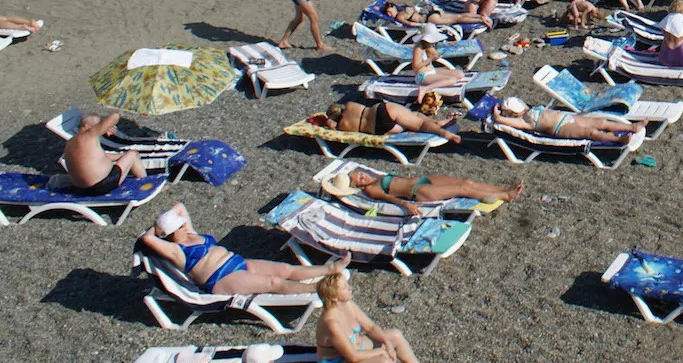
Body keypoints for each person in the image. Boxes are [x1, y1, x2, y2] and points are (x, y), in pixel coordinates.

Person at [141, 203, 347, 294]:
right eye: (179, 226)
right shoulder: (176, 250)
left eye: (182, 223)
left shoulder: (190, 233)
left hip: (238, 262)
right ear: (169, 234)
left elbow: (179, 206)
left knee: (285, 269)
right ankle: (316, 289)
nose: (184, 225)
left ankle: (330, 269)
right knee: (273, 282)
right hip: (220, 279)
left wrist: (168, 221)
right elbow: (147, 239)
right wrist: (158, 229)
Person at [321, 170, 524, 219]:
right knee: (463, 190)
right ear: (356, 185)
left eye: (360, 174)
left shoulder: (374, 178)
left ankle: (503, 190)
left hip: (423, 180)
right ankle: (507, 196)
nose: (363, 177)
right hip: (420, 191)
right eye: (359, 179)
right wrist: (407, 206)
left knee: (466, 182)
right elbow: (390, 198)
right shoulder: (371, 189)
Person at [315, 271, 421, 363]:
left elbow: (370, 327)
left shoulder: (348, 305)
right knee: (382, 361)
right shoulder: (331, 323)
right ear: (333, 297)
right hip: (341, 360)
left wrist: (386, 342)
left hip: (360, 348)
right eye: (344, 287)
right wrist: (380, 351)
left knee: (396, 335)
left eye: (347, 284)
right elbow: (353, 357)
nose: (350, 288)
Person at [494, 96, 642, 143]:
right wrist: (496, 115)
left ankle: (631, 127)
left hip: (568, 117)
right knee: (590, 133)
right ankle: (617, 140)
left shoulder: (530, 110)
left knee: (601, 122)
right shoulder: (523, 122)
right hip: (560, 129)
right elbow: (501, 121)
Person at [65, 112, 146, 195]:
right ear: (87, 126)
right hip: (100, 186)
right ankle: (145, 183)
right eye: (98, 126)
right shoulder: (90, 134)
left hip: (79, 189)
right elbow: (115, 116)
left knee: (128, 156)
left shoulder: (71, 141)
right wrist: (107, 125)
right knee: (133, 154)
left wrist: (123, 156)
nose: (101, 129)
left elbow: (100, 157)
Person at [326, 101, 461, 143]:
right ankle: (443, 132)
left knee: (415, 116)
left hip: (380, 128)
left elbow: (333, 127)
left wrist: (331, 125)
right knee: (416, 120)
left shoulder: (342, 126)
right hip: (381, 110)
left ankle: (435, 123)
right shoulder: (350, 105)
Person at [406, 25, 463, 101]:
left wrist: (435, 55)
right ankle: (425, 89)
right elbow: (415, 67)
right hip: (422, 76)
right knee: (452, 80)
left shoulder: (428, 45)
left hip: (432, 71)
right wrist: (430, 59)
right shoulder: (418, 49)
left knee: (459, 74)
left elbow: (434, 55)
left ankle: (430, 85)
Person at [381, 1, 488, 29]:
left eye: (389, 11)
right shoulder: (402, 11)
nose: (390, 14)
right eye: (387, 13)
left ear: (393, 6)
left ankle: (480, 19)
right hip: (431, 13)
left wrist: (422, 26)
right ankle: (480, 17)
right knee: (457, 17)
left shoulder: (400, 13)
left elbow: (409, 23)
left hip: (429, 17)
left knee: (457, 19)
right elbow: (409, 22)